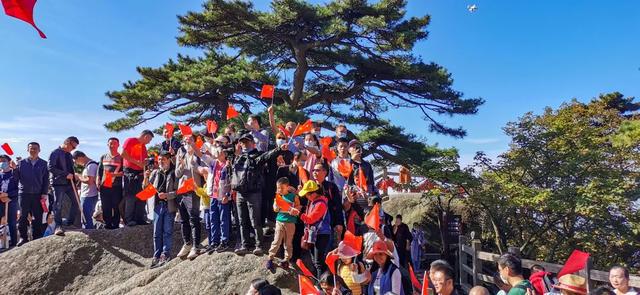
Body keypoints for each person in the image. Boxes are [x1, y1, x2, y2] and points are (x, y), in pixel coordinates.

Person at [231, 132, 287, 255]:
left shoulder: (258, 155)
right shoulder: (238, 157)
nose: (244, 144)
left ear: (253, 143)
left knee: (255, 221)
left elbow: (267, 156)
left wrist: (278, 149)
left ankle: (259, 245)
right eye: (242, 142)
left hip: (253, 193)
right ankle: (245, 245)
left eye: (247, 142)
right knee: (242, 221)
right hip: (240, 193)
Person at [175, 135, 206, 260]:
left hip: (193, 190)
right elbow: (177, 174)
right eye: (185, 141)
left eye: (190, 140)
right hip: (182, 190)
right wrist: (182, 164)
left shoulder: (199, 154)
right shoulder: (181, 154)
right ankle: (187, 243)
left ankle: (196, 246)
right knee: (183, 220)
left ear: (194, 142)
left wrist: (194, 164)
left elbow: (203, 171)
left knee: (194, 219)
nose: (187, 143)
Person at [144, 152, 178, 268]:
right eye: (159, 160)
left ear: (169, 160)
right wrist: (146, 177)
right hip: (157, 206)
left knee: (167, 232)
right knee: (156, 233)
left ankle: (165, 254)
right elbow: (146, 188)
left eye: (163, 159)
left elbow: (178, 191)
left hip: (169, 206)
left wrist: (167, 195)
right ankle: (156, 255)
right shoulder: (155, 173)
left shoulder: (174, 173)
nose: (160, 162)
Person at [13, 142, 48, 245]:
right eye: (31, 148)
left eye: (35, 148)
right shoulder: (21, 163)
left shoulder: (43, 163)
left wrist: (44, 193)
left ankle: (37, 237)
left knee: (37, 217)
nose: (33, 150)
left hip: (38, 194)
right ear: (27, 150)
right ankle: (23, 238)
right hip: (24, 193)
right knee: (22, 216)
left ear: (39, 150)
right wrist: (14, 169)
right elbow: (16, 179)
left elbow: (46, 180)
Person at [265, 177, 300, 272]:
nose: (279, 190)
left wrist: (295, 210)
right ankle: (270, 258)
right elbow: (275, 209)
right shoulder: (278, 197)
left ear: (287, 187)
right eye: (278, 188)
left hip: (290, 223)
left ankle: (286, 260)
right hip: (280, 221)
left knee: (288, 243)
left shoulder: (294, 196)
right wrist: (286, 209)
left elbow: (298, 207)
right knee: (276, 241)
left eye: (281, 188)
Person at [299, 180, 332, 278]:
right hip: (315, 234)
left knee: (318, 262)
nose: (306, 196)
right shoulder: (313, 202)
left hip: (322, 234)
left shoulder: (320, 204)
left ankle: (322, 285)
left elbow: (310, 219)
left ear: (313, 193)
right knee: (315, 261)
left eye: (307, 194)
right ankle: (322, 282)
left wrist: (299, 214)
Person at [48, 136, 80, 235]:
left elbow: (71, 169)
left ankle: (69, 222)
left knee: (76, 203)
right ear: (68, 142)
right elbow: (50, 167)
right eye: (73, 147)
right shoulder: (55, 153)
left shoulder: (69, 155)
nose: (73, 149)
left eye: (75, 148)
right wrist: (65, 174)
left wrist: (74, 177)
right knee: (58, 204)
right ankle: (58, 225)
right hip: (58, 183)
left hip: (70, 183)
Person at [121, 130, 154, 226]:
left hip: (141, 173)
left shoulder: (144, 147)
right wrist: (137, 162)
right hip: (130, 172)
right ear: (146, 136)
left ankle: (140, 218)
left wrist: (147, 162)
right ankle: (129, 219)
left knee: (142, 195)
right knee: (131, 196)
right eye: (150, 139)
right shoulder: (130, 140)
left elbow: (143, 161)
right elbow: (123, 154)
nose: (149, 142)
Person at [204, 147, 233, 253]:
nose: (219, 153)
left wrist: (227, 194)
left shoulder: (228, 165)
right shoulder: (214, 163)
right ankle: (214, 241)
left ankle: (224, 241)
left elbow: (231, 181)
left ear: (224, 154)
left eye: (221, 152)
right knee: (213, 219)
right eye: (217, 152)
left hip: (223, 196)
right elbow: (201, 156)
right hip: (213, 196)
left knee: (223, 219)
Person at [312, 162, 344, 243]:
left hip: (328, 224)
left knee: (327, 248)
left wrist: (339, 222)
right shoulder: (310, 186)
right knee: (314, 251)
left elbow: (338, 205)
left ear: (325, 172)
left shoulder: (331, 187)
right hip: (313, 224)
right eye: (313, 170)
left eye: (317, 170)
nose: (314, 172)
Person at [96, 138, 124, 229]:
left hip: (117, 185)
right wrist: (98, 180)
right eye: (110, 143)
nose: (112, 145)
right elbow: (99, 170)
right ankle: (107, 223)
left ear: (118, 145)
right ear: (107, 144)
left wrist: (113, 175)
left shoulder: (121, 158)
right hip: (105, 185)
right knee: (105, 205)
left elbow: (124, 172)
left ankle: (115, 224)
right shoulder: (103, 157)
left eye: (114, 143)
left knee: (116, 205)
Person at [72, 151, 99, 229]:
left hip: (89, 195)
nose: (77, 164)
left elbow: (90, 181)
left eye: (76, 161)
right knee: (85, 217)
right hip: (87, 194)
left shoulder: (91, 166)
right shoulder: (89, 165)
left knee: (85, 217)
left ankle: (89, 234)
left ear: (80, 158)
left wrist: (79, 176)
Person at [0, 155, 18, 248]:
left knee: (12, 222)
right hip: (0, 201)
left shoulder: (14, 174)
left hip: (12, 201)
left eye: (4, 161)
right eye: (0, 161)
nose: (2, 163)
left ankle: (14, 243)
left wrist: (8, 195)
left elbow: (18, 188)